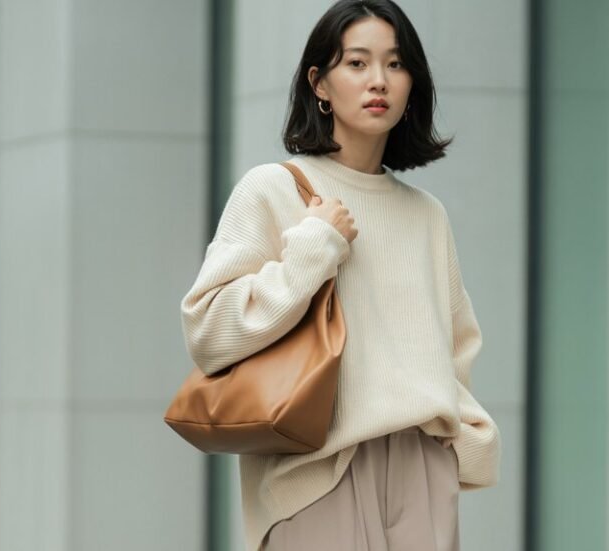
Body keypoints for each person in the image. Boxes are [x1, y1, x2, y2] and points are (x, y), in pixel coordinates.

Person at [179, 1, 501, 549]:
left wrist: (463, 442)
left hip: (421, 467)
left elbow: (456, 347)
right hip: (317, 473)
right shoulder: (272, 189)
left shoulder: (426, 213)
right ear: (319, 83)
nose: (379, 80)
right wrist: (314, 247)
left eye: (396, 65)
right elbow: (208, 332)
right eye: (357, 63)